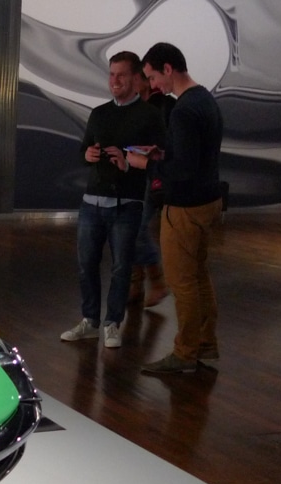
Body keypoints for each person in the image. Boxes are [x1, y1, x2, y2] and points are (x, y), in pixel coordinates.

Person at [60, 51, 165, 350]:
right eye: (111, 74)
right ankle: (90, 321)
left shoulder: (150, 115)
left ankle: (112, 323)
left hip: (127, 203)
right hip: (92, 201)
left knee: (121, 267)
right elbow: (83, 151)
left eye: (121, 75)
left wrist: (128, 162)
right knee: (86, 265)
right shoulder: (99, 113)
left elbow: (160, 158)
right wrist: (89, 155)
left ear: (135, 78)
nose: (115, 80)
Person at [134, 42, 224, 373]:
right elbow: (193, 157)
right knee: (198, 276)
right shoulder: (205, 99)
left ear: (168, 69)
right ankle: (205, 343)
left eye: (153, 77)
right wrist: (162, 153)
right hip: (208, 200)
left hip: (185, 206)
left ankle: (185, 353)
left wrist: (146, 164)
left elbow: (182, 170)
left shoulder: (184, 110)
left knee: (182, 282)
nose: (153, 85)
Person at [128, 67, 177, 307]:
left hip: (153, 173)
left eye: (135, 78)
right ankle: (136, 284)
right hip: (136, 172)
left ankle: (156, 281)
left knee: (136, 228)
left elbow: (171, 144)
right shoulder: (135, 105)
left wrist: (152, 152)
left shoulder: (165, 105)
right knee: (129, 227)